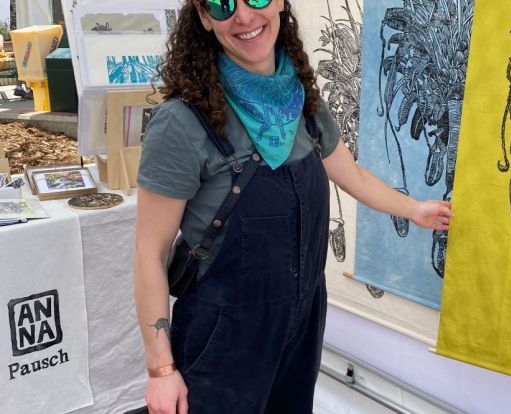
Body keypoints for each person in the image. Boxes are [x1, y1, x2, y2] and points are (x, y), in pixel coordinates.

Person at [133, 0, 454, 413]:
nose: (244, 16)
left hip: (301, 327)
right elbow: (149, 253)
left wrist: (414, 210)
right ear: (204, 17)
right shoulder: (181, 123)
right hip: (223, 341)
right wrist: (160, 370)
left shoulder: (305, 106)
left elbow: (354, 177)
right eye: (222, 4)